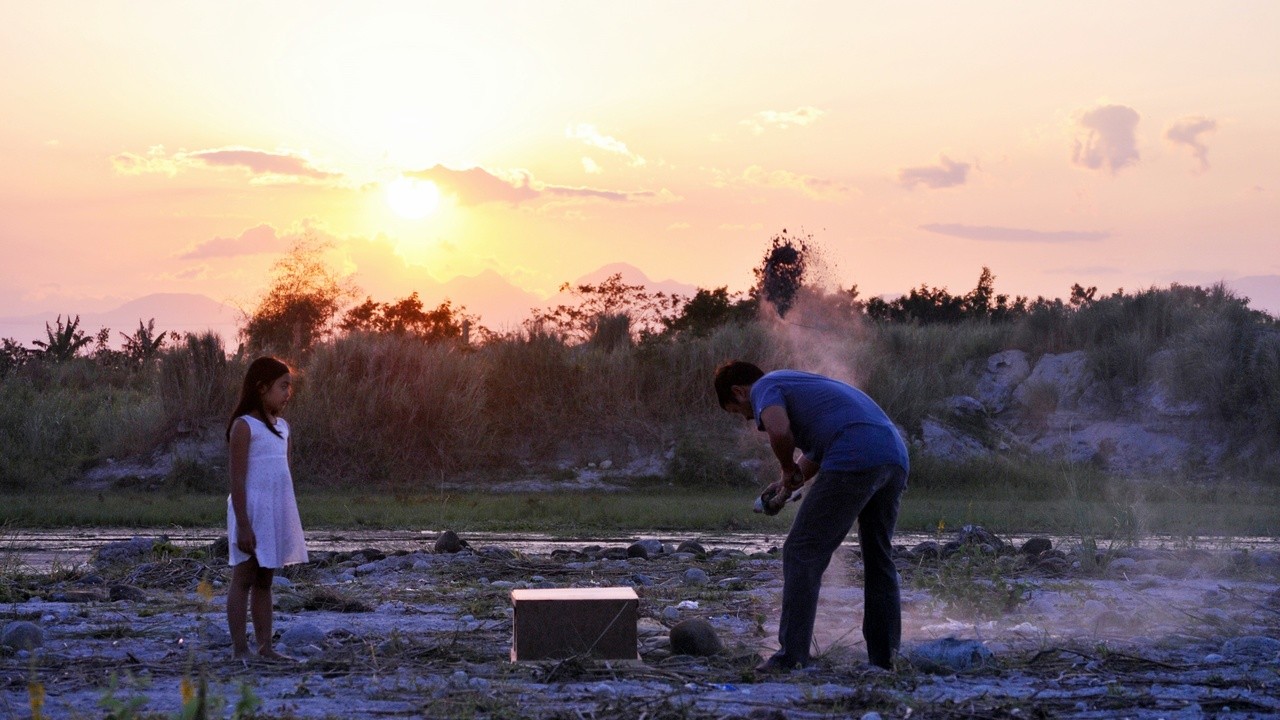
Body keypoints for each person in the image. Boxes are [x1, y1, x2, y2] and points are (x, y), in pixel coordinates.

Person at [714, 360, 908, 671]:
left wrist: (787, 468)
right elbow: (816, 452)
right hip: (893, 455)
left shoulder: (766, 386)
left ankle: (791, 656)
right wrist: (786, 484)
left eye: (738, 411)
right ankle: (885, 658)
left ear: (738, 391)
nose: (749, 418)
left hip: (854, 453)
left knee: (801, 551)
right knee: (878, 558)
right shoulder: (800, 385)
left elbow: (779, 430)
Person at [225, 356, 308, 660]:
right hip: (251, 511)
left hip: (275, 510)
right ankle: (239, 648)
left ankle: (266, 647)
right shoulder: (244, 426)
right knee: (244, 577)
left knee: (265, 579)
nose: (288, 393)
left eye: (290, 387)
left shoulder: (283, 428)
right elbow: (237, 479)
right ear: (261, 388)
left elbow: (283, 474)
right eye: (283, 386)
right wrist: (244, 524)